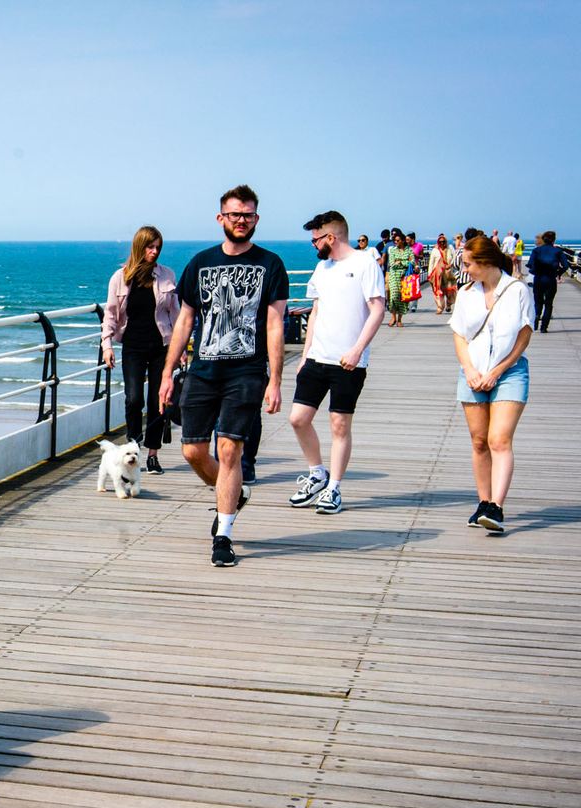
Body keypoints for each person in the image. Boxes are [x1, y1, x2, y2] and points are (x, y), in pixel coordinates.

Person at [157, 184, 289, 567]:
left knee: (230, 448)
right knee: (192, 450)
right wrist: (168, 372)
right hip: (202, 369)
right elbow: (184, 321)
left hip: (246, 370)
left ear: (256, 219)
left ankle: (224, 533)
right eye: (235, 214)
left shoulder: (270, 264)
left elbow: (276, 324)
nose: (241, 221)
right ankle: (233, 495)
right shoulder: (200, 263)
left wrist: (276, 379)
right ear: (221, 218)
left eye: (248, 215)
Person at [288, 211, 386, 516]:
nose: (313, 245)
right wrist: (304, 355)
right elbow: (316, 312)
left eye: (316, 239)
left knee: (339, 424)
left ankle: (334, 488)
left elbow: (377, 309)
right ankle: (318, 473)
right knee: (298, 418)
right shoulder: (322, 267)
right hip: (318, 357)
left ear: (331, 237)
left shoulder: (365, 263)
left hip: (349, 362)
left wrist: (358, 350)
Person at [451, 236, 535, 534]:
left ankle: (496, 507)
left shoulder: (518, 291)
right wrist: (470, 369)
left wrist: (498, 370)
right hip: (473, 371)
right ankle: (483, 502)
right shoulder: (465, 294)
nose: (465, 269)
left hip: (510, 372)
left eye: (468, 263)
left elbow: (525, 335)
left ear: (485, 262)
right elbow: (459, 334)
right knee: (478, 440)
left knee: (499, 439)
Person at [100, 225, 180, 474]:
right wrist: (107, 345)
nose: (155, 252)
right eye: (150, 247)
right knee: (134, 399)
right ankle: (134, 448)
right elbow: (110, 315)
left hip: (161, 346)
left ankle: (153, 455)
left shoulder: (167, 276)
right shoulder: (120, 277)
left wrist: (182, 347)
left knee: (159, 400)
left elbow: (176, 314)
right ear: (139, 246)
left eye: (158, 247)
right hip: (133, 346)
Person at [527, 230, 569, 333]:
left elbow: (530, 265)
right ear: (554, 240)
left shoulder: (536, 251)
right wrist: (558, 273)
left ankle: (536, 317)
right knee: (548, 303)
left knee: (538, 302)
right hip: (550, 279)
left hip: (538, 279)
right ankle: (544, 327)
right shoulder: (558, 252)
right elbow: (566, 265)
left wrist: (535, 271)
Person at [384, 230, 414, 327]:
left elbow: (412, 262)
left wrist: (401, 262)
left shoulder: (409, 250)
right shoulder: (392, 250)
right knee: (393, 297)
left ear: (402, 241)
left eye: (397, 240)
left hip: (405, 276)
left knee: (403, 298)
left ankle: (400, 319)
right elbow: (392, 264)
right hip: (394, 276)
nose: (395, 242)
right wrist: (405, 261)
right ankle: (393, 317)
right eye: (395, 240)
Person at [428, 235, 457, 313]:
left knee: (450, 291)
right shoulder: (435, 250)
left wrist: (450, 265)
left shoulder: (450, 249)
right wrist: (429, 274)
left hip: (448, 273)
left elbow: (455, 258)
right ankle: (440, 307)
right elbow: (431, 263)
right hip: (438, 274)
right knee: (438, 290)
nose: (442, 243)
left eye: (443, 241)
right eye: (440, 242)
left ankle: (448, 304)